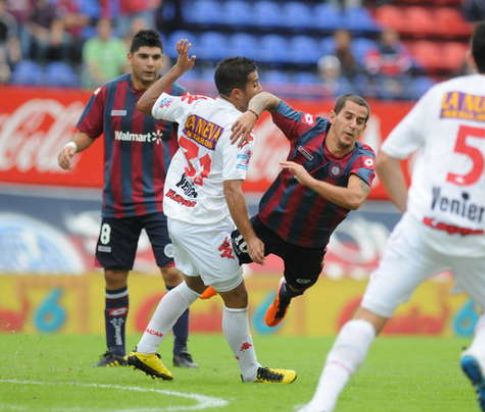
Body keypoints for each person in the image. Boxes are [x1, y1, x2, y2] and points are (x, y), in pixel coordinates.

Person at [287, 18, 485, 412]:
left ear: (470, 56)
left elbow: (386, 158)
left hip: (425, 223)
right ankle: (478, 354)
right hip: (481, 229)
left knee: (369, 315)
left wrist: (410, 213)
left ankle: (319, 407)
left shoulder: (441, 95)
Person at [125, 39, 296, 385]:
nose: (259, 89)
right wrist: (249, 236)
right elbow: (232, 189)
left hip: (177, 210)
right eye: (254, 84)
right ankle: (251, 372)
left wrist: (177, 70)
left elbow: (145, 102)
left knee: (194, 283)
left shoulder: (194, 103)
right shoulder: (240, 130)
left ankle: (145, 349)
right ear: (237, 93)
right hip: (205, 224)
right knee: (236, 295)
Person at [57, 29, 198, 369]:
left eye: (155, 57)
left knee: (173, 275)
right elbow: (88, 131)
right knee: (115, 276)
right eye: (144, 57)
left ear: (162, 61)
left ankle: (181, 351)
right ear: (130, 58)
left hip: (163, 205)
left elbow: (193, 147)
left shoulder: (177, 97)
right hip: (117, 202)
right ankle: (115, 352)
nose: (150, 63)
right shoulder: (109, 93)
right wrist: (72, 146)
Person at [227, 93, 376, 329]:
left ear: (364, 127)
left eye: (359, 121)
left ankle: (284, 296)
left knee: (298, 286)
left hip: (309, 245)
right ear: (333, 116)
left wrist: (310, 182)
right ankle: (219, 283)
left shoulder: (362, 157)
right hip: (268, 226)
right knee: (224, 260)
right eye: (348, 117)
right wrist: (252, 113)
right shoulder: (308, 128)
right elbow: (268, 99)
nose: (352, 125)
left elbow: (356, 198)